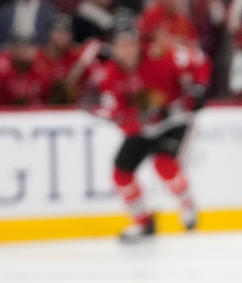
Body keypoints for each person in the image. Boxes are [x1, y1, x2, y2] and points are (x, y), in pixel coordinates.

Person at [88, 18, 211, 242]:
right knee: (121, 174)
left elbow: (199, 60)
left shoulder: (161, 55)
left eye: (131, 43)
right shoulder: (109, 76)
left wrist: (199, 86)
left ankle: (187, 204)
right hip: (145, 127)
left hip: (176, 120)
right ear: (113, 47)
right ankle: (145, 223)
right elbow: (119, 117)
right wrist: (137, 120)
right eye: (121, 44)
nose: (127, 50)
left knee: (164, 164)